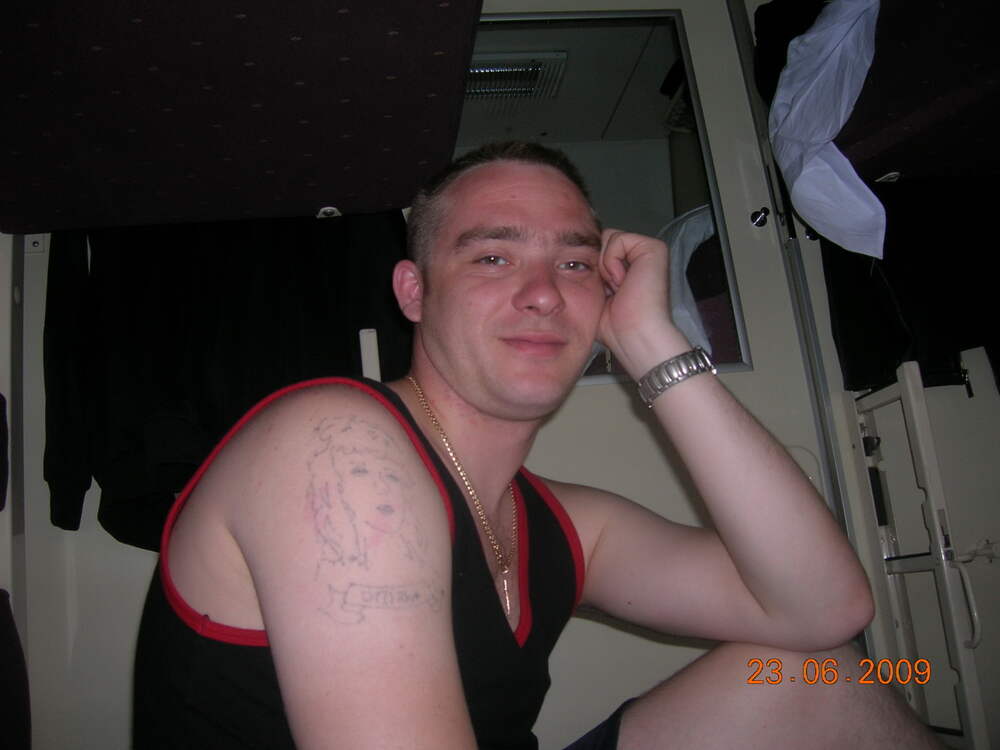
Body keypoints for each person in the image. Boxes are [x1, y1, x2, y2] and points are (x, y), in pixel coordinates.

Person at [133, 141, 943, 749]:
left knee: (820, 676)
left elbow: (824, 611)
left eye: (576, 263)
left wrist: (654, 344)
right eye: (493, 256)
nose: (545, 294)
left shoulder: (562, 525)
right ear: (413, 292)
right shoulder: (335, 447)